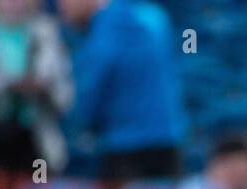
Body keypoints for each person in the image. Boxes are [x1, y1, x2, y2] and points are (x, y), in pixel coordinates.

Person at [58, 0, 186, 179]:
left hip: (124, 149)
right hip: (169, 140)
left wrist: (71, 127)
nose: (61, 7)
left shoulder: (104, 33)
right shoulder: (155, 16)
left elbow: (88, 96)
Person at [0, 0, 73, 173]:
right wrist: (7, 86)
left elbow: (65, 94)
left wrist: (44, 87)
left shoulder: (46, 32)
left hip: (37, 137)